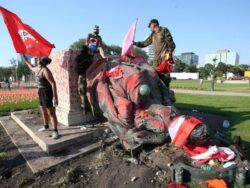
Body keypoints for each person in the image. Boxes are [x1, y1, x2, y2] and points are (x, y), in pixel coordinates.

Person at [23, 55, 59, 139]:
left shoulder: (46, 71)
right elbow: (31, 67)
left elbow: (53, 83)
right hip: (41, 92)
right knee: (43, 110)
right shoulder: (37, 69)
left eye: (40, 60)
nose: (38, 60)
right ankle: (46, 126)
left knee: (51, 113)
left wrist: (55, 97)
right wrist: (25, 60)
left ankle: (55, 131)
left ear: (43, 62)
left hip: (47, 92)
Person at [133, 19, 176, 88]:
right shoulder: (152, 35)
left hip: (164, 58)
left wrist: (167, 57)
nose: (150, 28)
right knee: (155, 77)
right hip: (156, 60)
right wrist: (135, 43)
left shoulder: (164, 30)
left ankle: (167, 94)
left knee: (165, 78)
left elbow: (172, 46)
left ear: (154, 24)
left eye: (150, 26)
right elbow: (145, 43)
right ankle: (158, 95)